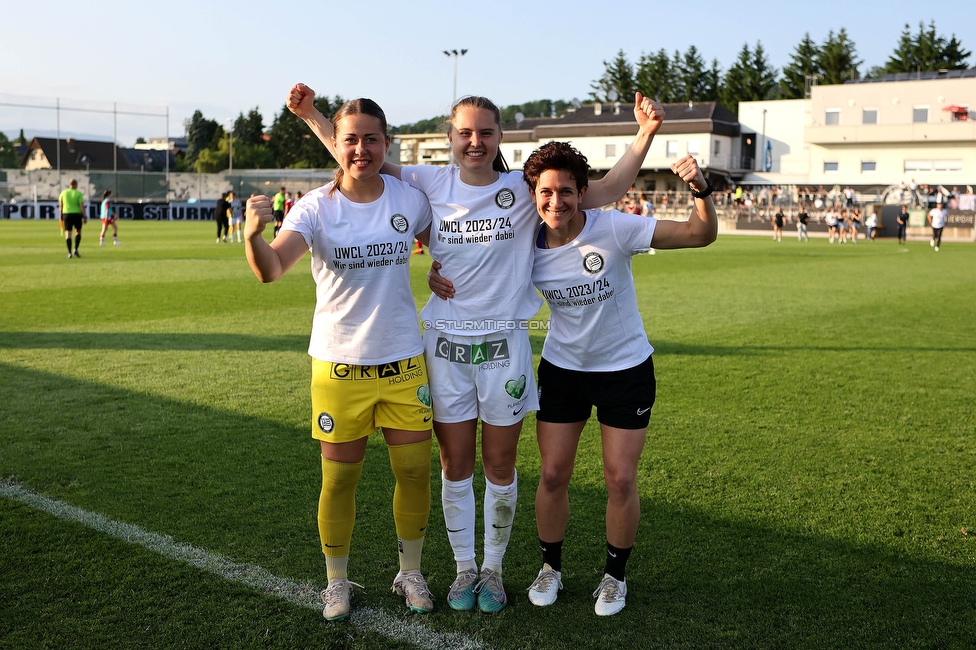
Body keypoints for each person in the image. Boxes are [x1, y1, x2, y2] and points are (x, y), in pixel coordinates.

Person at [288, 82, 664, 613]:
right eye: (464, 132)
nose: (475, 141)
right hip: (444, 346)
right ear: (449, 136)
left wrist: (645, 133)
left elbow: (602, 191)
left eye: (485, 132)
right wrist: (313, 117)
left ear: (499, 137)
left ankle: (492, 570)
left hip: (505, 345)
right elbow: (357, 157)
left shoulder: (525, 188)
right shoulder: (426, 181)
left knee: (501, 465)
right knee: (453, 463)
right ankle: (464, 569)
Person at [244, 98, 436, 622]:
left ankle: (410, 572)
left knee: (415, 471)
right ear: (338, 143)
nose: (360, 149)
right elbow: (272, 268)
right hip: (339, 366)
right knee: (338, 482)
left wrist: (441, 269)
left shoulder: (410, 198)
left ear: (386, 144)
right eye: (350, 139)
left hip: (404, 362)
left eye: (370, 139)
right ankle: (336, 582)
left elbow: (447, 245)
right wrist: (252, 239)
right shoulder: (314, 207)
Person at [517, 142, 716, 616]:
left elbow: (698, 234)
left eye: (566, 191)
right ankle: (550, 568)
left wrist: (700, 189)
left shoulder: (615, 228)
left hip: (625, 370)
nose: (556, 201)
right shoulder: (526, 245)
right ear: (533, 194)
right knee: (551, 473)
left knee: (620, 479)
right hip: (563, 371)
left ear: (583, 193)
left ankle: (614, 577)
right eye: (546, 192)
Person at [59, 179, 86, 258]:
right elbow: (81, 205)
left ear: (69, 184)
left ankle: (69, 252)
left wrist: (60, 215)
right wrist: (84, 216)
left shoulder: (63, 193)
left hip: (66, 214)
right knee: (78, 232)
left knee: (68, 233)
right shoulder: (78, 193)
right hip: (77, 214)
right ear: (76, 184)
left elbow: (61, 205)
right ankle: (76, 249)